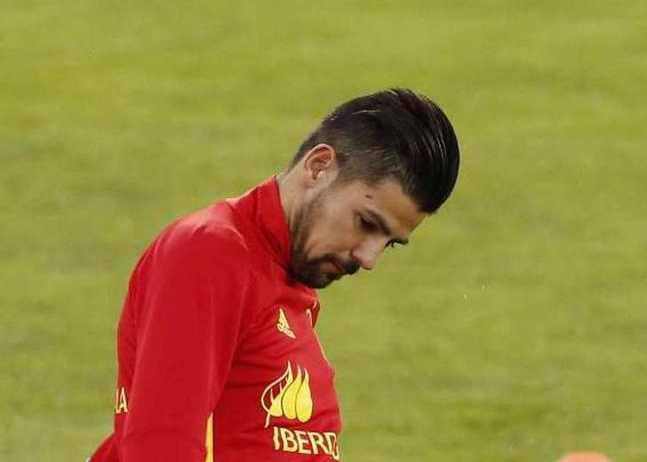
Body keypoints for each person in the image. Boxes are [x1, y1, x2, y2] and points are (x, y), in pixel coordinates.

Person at [88, 88, 460, 462]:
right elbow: (160, 446)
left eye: (390, 243)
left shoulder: (280, 279)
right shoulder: (210, 254)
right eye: (365, 223)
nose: (369, 258)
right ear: (319, 167)